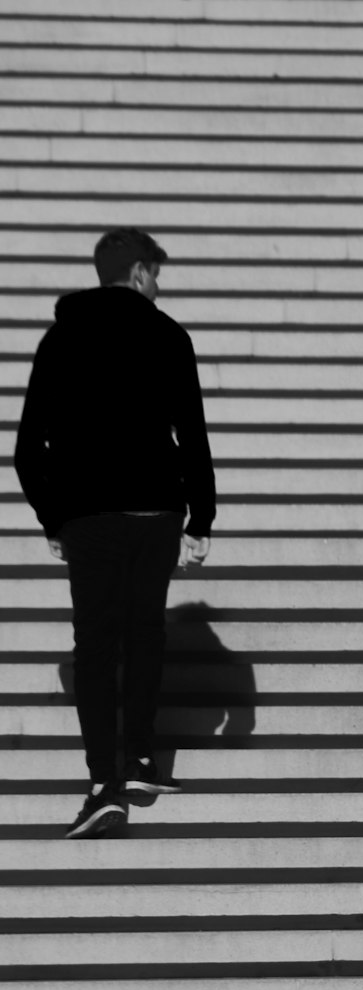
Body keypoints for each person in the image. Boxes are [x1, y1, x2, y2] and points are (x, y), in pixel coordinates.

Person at [14, 227, 216, 838]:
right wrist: (201, 517)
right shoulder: (168, 334)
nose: (158, 284)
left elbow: (27, 449)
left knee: (96, 645)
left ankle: (104, 782)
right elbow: (193, 435)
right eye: (155, 272)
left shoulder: (59, 339)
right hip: (156, 510)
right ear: (135, 274)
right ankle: (144, 757)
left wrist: (55, 516)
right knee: (145, 630)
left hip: (89, 515)